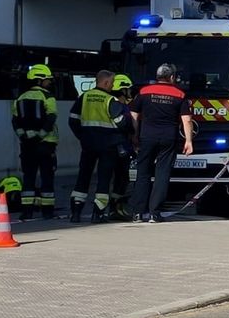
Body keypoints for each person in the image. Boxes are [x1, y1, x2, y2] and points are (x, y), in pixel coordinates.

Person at [128, 63, 194, 223]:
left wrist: (134, 136)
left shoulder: (144, 92)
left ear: (157, 77)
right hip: (168, 138)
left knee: (142, 174)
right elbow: (187, 120)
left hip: (147, 137)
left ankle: (137, 213)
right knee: (162, 175)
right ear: (172, 77)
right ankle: (154, 213)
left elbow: (134, 116)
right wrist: (188, 141)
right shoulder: (179, 94)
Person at [68, 70, 133, 223]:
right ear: (105, 82)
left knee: (83, 177)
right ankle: (98, 215)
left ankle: (76, 213)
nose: (112, 85)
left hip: (88, 145)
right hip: (108, 146)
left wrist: (82, 136)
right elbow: (122, 123)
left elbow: (73, 120)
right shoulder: (110, 100)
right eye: (111, 82)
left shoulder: (84, 97)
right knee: (104, 180)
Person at [11, 63, 60, 219]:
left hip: (27, 145)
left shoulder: (20, 98)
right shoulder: (48, 97)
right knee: (47, 177)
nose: (49, 82)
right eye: (47, 79)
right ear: (39, 80)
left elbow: (15, 120)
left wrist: (24, 136)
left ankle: (26, 211)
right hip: (46, 144)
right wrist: (41, 135)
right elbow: (51, 118)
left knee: (29, 177)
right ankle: (47, 211)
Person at [108, 74, 135, 219]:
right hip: (119, 146)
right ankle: (114, 209)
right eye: (128, 89)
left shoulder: (121, 104)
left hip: (121, 145)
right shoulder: (116, 104)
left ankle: (117, 207)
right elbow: (123, 124)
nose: (130, 92)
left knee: (123, 179)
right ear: (122, 90)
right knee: (120, 178)